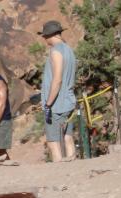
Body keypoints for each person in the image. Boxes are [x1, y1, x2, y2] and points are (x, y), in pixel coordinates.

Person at [39, 20, 77, 162]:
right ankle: (74, 167)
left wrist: (48, 104)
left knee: (53, 143)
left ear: (50, 35)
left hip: (56, 105)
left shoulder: (55, 51)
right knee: (68, 137)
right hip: (69, 101)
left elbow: (57, 80)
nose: (44, 39)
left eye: (44, 36)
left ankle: (59, 171)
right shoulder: (69, 49)